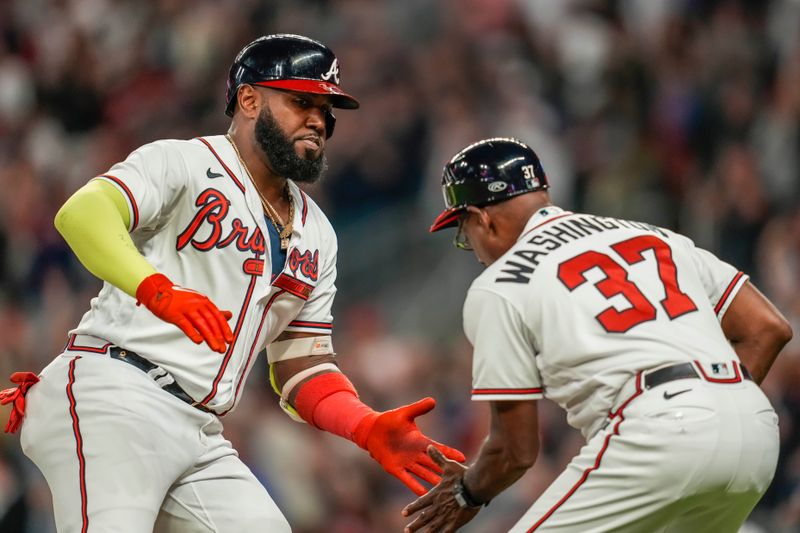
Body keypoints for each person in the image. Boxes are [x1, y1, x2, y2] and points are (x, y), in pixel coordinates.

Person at [0, 34, 464, 532]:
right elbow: (82, 213)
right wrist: (156, 289)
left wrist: (364, 424)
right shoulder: (185, 162)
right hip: (113, 391)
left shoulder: (318, 233)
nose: (318, 120)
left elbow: (299, 367)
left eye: (327, 109)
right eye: (301, 101)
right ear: (249, 100)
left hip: (199, 428)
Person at [402, 137, 793, 533]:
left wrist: (466, 492)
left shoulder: (499, 284)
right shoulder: (655, 235)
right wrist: (716, 402)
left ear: (482, 218)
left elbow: (514, 451)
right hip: (755, 428)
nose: (472, 247)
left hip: (657, 430)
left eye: (464, 230)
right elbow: (768, 327)